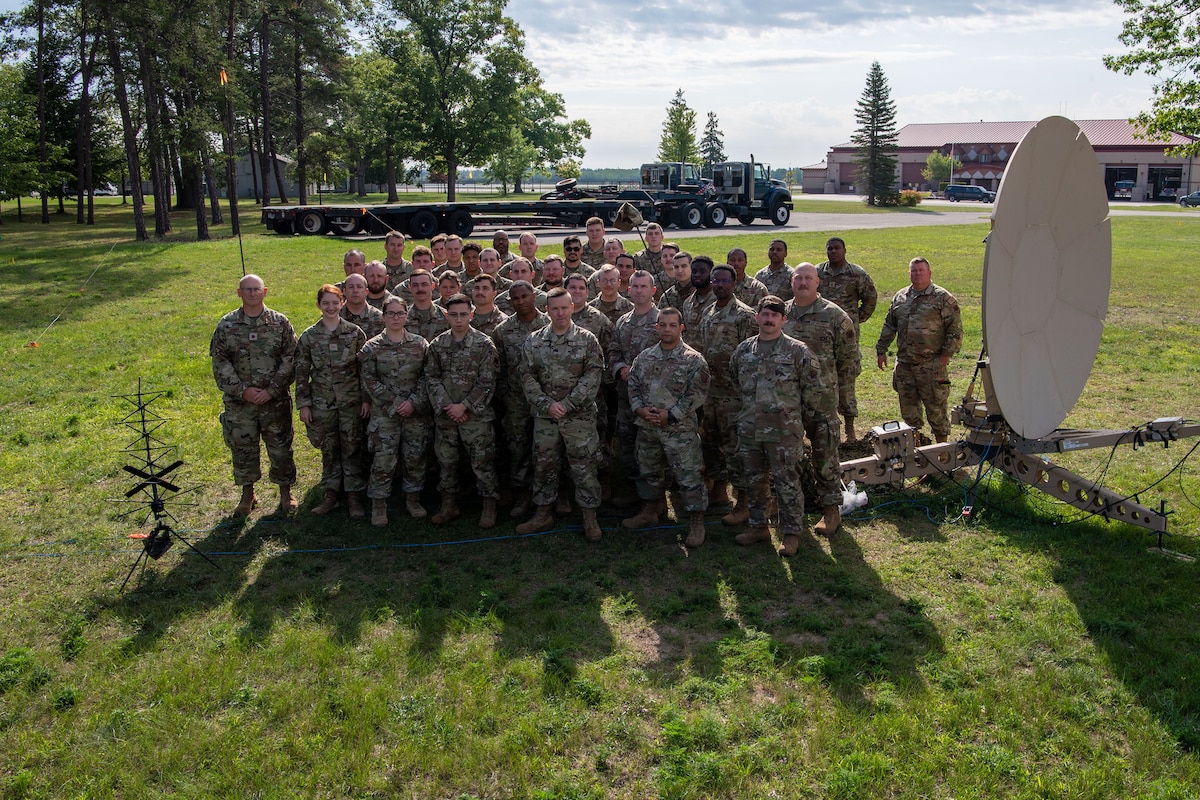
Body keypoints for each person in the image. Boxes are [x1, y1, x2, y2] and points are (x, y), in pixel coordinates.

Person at [731, 296, 827, 557]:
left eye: (775, 315)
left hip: (784, 431)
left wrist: (795, 419)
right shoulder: (743, 351)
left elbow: (813, 390)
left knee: (787, 482)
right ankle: (758, 526)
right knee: (754, 481)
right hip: (751, 429)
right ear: (757, 318)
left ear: (784, 320)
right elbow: (736, 382)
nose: (769, 319)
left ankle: (791, 532)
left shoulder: (798, 351)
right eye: (765, 314)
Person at [518, 288, 605, 540]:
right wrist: (547, 404)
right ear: (547, 310)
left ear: (572, 307)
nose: (560, 313)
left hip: (579, 417)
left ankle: (590, 519)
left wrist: (567, 404)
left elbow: (593, 376)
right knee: (544, 465)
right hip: (546, 418)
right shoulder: (534, 341)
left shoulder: (587, 340)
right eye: (555, 308)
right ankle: (543, 514)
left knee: (585, 467)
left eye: (565, 307)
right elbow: (526, 376)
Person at [622, 307, 711, 547]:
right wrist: (640, 409)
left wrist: (671, 415)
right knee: (649, 472)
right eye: (663, 324)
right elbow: (633, 386)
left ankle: (695, 521)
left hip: (679, 432)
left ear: (681, 328)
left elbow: (697, 394)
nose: (667, 329)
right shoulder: (645, 357)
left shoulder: (693, 360)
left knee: (688, 476)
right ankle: (650, 509)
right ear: (656, 327)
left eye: (673, 325)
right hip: (648, 428)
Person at [210, 274, 298, 517]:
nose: (252, 293)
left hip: (275, 401)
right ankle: (247, 494)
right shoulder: (226, 325)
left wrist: (272, 390)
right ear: (239, 293)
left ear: (265, 292)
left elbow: (290, 359)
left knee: (280, 448)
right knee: (243, 449)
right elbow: (220, 361)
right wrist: (242, 390)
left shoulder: (280, 323)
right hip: (240, 403)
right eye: (246, 290)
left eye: (256, 289)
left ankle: (285, 491)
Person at [783, 264, 857, 535]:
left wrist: (835, 390)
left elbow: (848, 357)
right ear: (792, 281)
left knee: (825, 456)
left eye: (808, 279)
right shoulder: (783, 313)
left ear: (818, 282)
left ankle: (831, 512)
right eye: (798, 278)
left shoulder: (835, 316)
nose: (803, 283)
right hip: (787, 399)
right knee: (786, 456)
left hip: (822, 399)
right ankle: (789, 509)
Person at [425, 294, 502, 528]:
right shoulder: (437, 345)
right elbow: (431, 378)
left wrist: (465, 406)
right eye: (454, 315)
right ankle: (449, 504)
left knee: (482, 462)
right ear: (447, 316)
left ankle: (489, 505)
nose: (459, 319)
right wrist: (448, 406)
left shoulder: (484, 344)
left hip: (475, 417)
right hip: (447, 415)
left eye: (463, 314)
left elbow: (488, 380)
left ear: (471, 314)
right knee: (446, 461)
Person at [295, 284, 370, 518]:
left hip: (351, 403)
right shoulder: (309, 336)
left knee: (351, 448)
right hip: (322, 403)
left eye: (335, 302)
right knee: (329, 449)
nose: (330, 307)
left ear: (342, 303)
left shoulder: (354, 333)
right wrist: (304, 404)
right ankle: (331, 495)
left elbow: (364, 370)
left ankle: (354, 496)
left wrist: (366, 400)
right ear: (318, 305)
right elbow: (301, 372)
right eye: (325, 303)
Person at [360, 296, 431, 525]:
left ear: (406, 316)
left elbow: (426, 378)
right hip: (385, 414)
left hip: (414, 413)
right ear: (383, 316)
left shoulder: (420, 344)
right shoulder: (372, 347)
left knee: (414, 457)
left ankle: (413, 499)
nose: (396, 317)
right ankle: (379, 504)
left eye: (400, 313)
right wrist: (395, 402)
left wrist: (413, 402)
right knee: (384, 459)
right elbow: (369, 380)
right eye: (391, 313)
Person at [875, 257, 963, 444]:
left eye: (921, 270)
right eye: (913, 271)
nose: (917, 274)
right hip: (905, 365)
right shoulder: (900, 297)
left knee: (936, 410)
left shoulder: (943, 298)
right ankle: (917, 448)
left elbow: (955, 329)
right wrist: (881, 349)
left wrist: (945, 357)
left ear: (929, 273)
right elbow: (890, 325)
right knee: (909, 412)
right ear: (909, 274)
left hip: (931, 365)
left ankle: (942, 453)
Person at [696, 264, 757, 520]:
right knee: (711, 445)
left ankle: (743, 502)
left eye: (724, 281)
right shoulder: (708, 313)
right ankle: (719, 491)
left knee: (736, 450)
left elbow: (753, 357)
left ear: (734, 285)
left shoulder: (745, 315)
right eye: (716, 280)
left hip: (735, 396)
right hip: (711, 395)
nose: (719, 284)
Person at [491, 281, 550, 518]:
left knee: (547, 448)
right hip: (516, 400)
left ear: (534, 295)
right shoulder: (502, 330)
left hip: (546, 399)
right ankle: (522, 494)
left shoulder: (548, 325)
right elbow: (499, 367)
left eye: (525, 296)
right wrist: (505, 394)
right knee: (518, 447)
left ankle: (549, 494)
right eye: (516, 298)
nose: (521, 301)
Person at [817, 237, 879, 442]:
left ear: (845, 250)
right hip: (822, 336)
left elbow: (870, 299)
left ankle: (850, 428)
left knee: (846, 381)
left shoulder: (857, 274)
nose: (833, 252)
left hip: (846, 338)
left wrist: (856, 319)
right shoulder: (818, 273)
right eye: (830, 249)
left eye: (837, 248)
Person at [608, 270, 660, 505]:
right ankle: (633, 492)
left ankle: (654, 499)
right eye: (635, 287)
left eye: (643, 287)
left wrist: (638, 371)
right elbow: (613, 350)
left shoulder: (662, 321)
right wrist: (620, 367)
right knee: (627, 442)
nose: (639, 291)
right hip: (625, 396)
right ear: (628, 290)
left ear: (653, 290)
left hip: (653, 398)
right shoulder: (622, 321)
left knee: (651, 448)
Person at [680, 254, 717, 345]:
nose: (697, 275)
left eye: (702, 271)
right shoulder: (687, 303)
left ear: (711, 274)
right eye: (694, 271)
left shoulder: (718, 300)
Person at [405, 269, 449, 341]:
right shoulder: (403, 318)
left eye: (424, 284)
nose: (420, 289)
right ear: (410, 288)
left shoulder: (446, 317)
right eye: (415, 285)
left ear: (432, 286)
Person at [340, 273, 384, 339]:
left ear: (366, 291)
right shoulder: (335, 317)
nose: (355, 291)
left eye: (359, 287)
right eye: (351, 287)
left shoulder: (380, 318)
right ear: (344, 292)